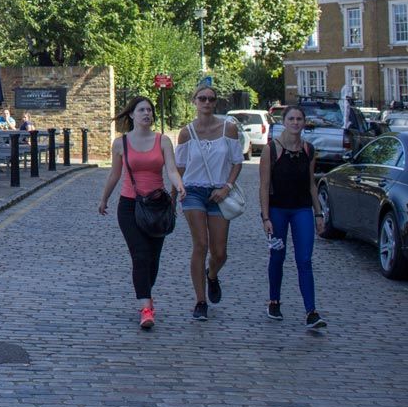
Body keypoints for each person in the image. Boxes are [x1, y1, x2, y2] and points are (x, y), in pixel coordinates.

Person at [98, 96, 186, 329]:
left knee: (153, 261)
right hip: (129, 206)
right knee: (140, 255)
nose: (147, 113)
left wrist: (178, 185)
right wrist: (104, 198)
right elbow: (115, 174)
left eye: (149, 110)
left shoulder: (163, 141)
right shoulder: (121, 143)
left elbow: (171, 170)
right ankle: (146, 308)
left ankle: (145, 290)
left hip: (157, 207)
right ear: (131, 115)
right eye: (141, 110)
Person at [175, 80, 245, 321]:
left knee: (219, 251)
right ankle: (200, 301)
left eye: (210, 99)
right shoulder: (186, 132)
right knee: (201, 244)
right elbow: (180, 167)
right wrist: (174, 194)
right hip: (193, 192)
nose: (206, 102)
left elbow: (237, 162)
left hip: (219, 193)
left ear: (216, 103)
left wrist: (226, 187)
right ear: (194, 102)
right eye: (202, 98)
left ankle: (212, 275)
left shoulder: (229, 129)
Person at [259, 105, 327, 329]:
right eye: (291, 119)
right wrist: (266, 217)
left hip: (302, 209)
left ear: (304, 122)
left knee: (305, 260)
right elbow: (264, 185)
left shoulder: (308, 150)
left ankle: (311, 311)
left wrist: (318, 212)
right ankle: (274, 300)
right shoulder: (272, 149)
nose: (296, 123)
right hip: (278, 209)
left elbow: (311, 184)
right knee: (277, 256)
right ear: (284, 121)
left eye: (299, 119)